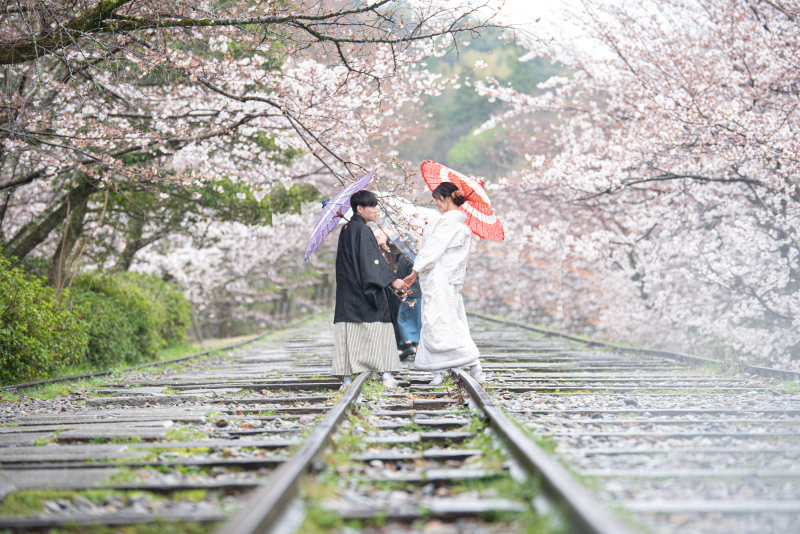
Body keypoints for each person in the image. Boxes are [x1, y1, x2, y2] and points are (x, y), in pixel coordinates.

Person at [403, 183, 485, 384]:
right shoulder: (461, 225)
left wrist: (414, 271)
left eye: (438, 199)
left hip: (439, 280)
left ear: (447, 199)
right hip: (450, 281)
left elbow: (432, 251)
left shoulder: (447, 223)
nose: (436, 203)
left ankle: (469, 367)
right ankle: (459, 369)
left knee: (438, 322)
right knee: (447, 322)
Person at [333, 190, 409, 390]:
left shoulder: (349, 228)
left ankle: (347, 379)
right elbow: (370, 262)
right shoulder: (362, 230)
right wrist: (393, 280)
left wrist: (377, 250)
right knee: (379, 328)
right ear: (360, 208)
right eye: (372, 206)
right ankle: (386, 375)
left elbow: (365, 257)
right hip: (366, 290)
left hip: (349, 291)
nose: (376, 210)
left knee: (350, 332)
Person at [395, 247, 421, 360]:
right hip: (420, 292)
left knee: (403, 319)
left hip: (408, 293)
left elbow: (399, 275)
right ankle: (419, 349)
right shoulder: (419, 256)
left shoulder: (403, 257)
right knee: (418, 321)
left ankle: (409, 344)